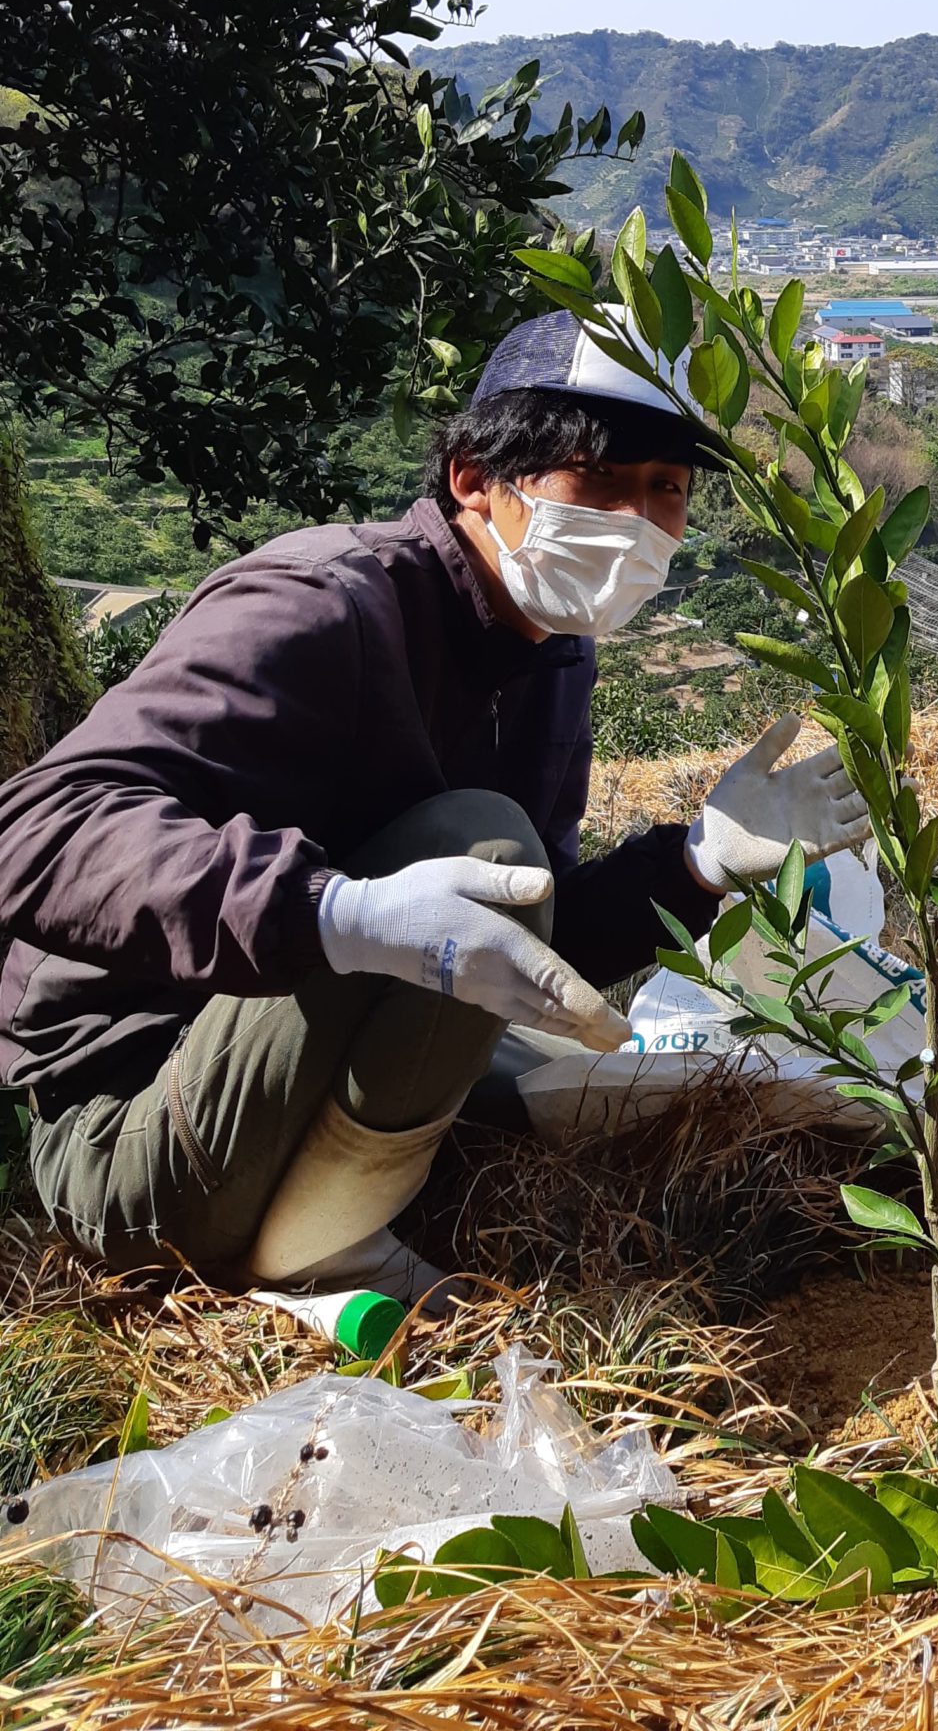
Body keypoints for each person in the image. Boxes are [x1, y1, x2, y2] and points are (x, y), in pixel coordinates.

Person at [0, 310, 867, 1306]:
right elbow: (33, 831)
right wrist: (340, 913)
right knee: (476, 845)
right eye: (600, 478)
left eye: (664, 489)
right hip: (136, 1131)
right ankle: (318, 1245)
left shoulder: (551, 653)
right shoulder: (322, 605)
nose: (635, 520)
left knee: (610, 1076)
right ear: (473, 477)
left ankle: (341, 1199)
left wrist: (696, 863)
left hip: (287, 1072)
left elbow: (510, 933)